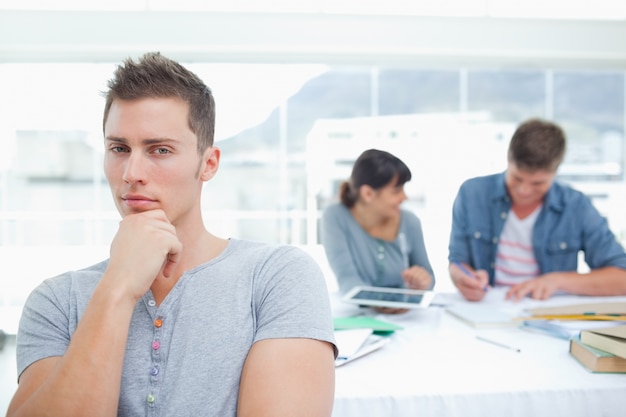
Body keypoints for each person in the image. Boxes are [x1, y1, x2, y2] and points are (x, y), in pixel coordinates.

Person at [7, 52, 337, 417]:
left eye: (159, 150)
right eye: (119, 148)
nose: (131, 172)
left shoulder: (278, 277)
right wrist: (118, 287)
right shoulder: (57, 301)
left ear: (208, 163)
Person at [448, 118, 626, 302]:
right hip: (488, 308)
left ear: (555, 171)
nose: (524, 191)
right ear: (509, 158)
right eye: (517, 178)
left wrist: (557, 281)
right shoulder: (472, 194)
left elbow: (622, 277)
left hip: (547, 314)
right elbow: (457, 261)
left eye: (538, 183)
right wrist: (464, 279)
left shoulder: (576, 206)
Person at [321, 149, 435, 313]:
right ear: (368, 193)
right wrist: (392, 300)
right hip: (360, 316)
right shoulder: (335, 217)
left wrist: (422, 284)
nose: (405, 197)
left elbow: (429, 279)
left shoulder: (410, 222)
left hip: (407, 318)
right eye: (396, 191)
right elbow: (347, 279)